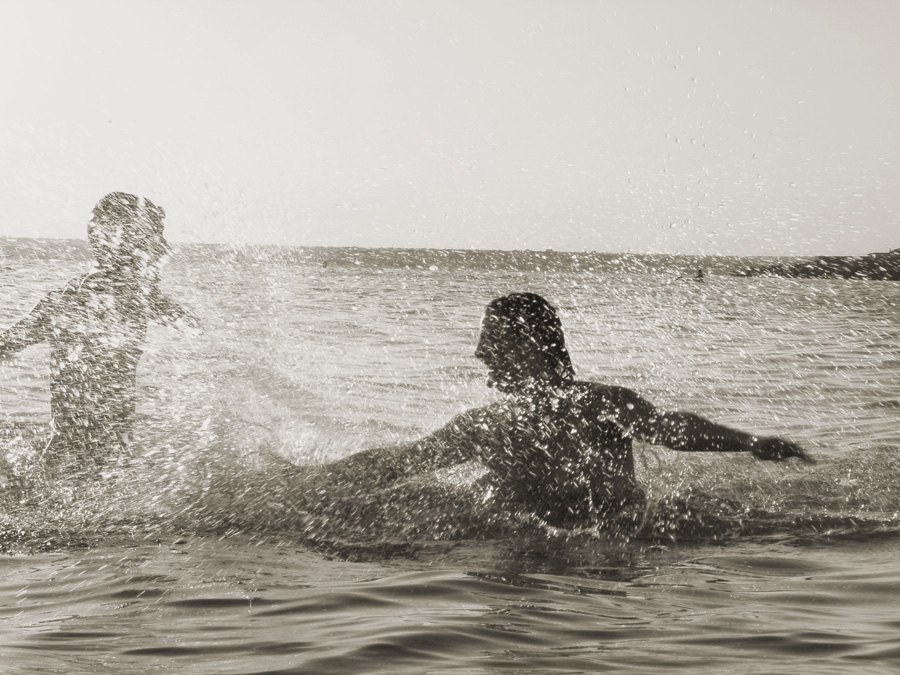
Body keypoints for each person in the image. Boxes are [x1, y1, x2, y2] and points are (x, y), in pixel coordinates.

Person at [323, 292, 812, 528]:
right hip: (528, 545)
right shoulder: (485, 425)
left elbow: (666, 428)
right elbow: (403, 461)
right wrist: (318, 482)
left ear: (530, 347)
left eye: (491, 341)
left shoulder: (596, 402)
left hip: (610, 548)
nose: (479, 354)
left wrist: (749, 443)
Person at [0, 192, 195, 471]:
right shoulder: (104, 294)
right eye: (155, 239)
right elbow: (189, 324)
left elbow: (10, 342)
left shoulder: (122, 294)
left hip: (88, 437)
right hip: (99, 438)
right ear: (121, 239)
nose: (163, 248)